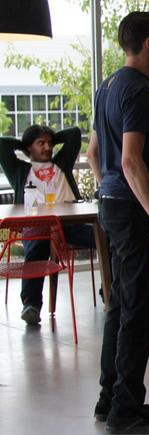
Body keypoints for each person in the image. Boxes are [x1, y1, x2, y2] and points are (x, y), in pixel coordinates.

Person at [87, 11, 149, 435]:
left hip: (112, 204)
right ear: (148, 44)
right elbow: (130, 159)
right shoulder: (137, 91)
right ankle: (126, 409)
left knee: (120, 304)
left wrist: (108, 189)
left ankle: (112, 398)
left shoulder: (107, 87)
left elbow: (93, 152)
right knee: (139, 307)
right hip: (131, 209)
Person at [0, 125, 96, 325]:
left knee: (108, 237)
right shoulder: (20, 170)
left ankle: (113, 291)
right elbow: (2, 144)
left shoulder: (62, 163)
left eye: (50, 143)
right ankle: (31, 305)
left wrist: (47, 136)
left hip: (69, 225)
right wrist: (25, 143)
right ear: (28, 148)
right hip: (37, 226)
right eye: (41, 143)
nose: (47, 148)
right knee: (37, 246)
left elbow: (74, 135)